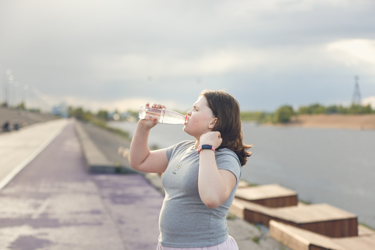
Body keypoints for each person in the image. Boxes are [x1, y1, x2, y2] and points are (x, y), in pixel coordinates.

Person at [129, 90, 252, 249]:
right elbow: (140, 161)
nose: (188, 112)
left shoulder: (226, 157)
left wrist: (207, 147)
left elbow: (212, 199)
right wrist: (143, 127)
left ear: (213, 122)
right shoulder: (182, 149)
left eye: (196, 109)